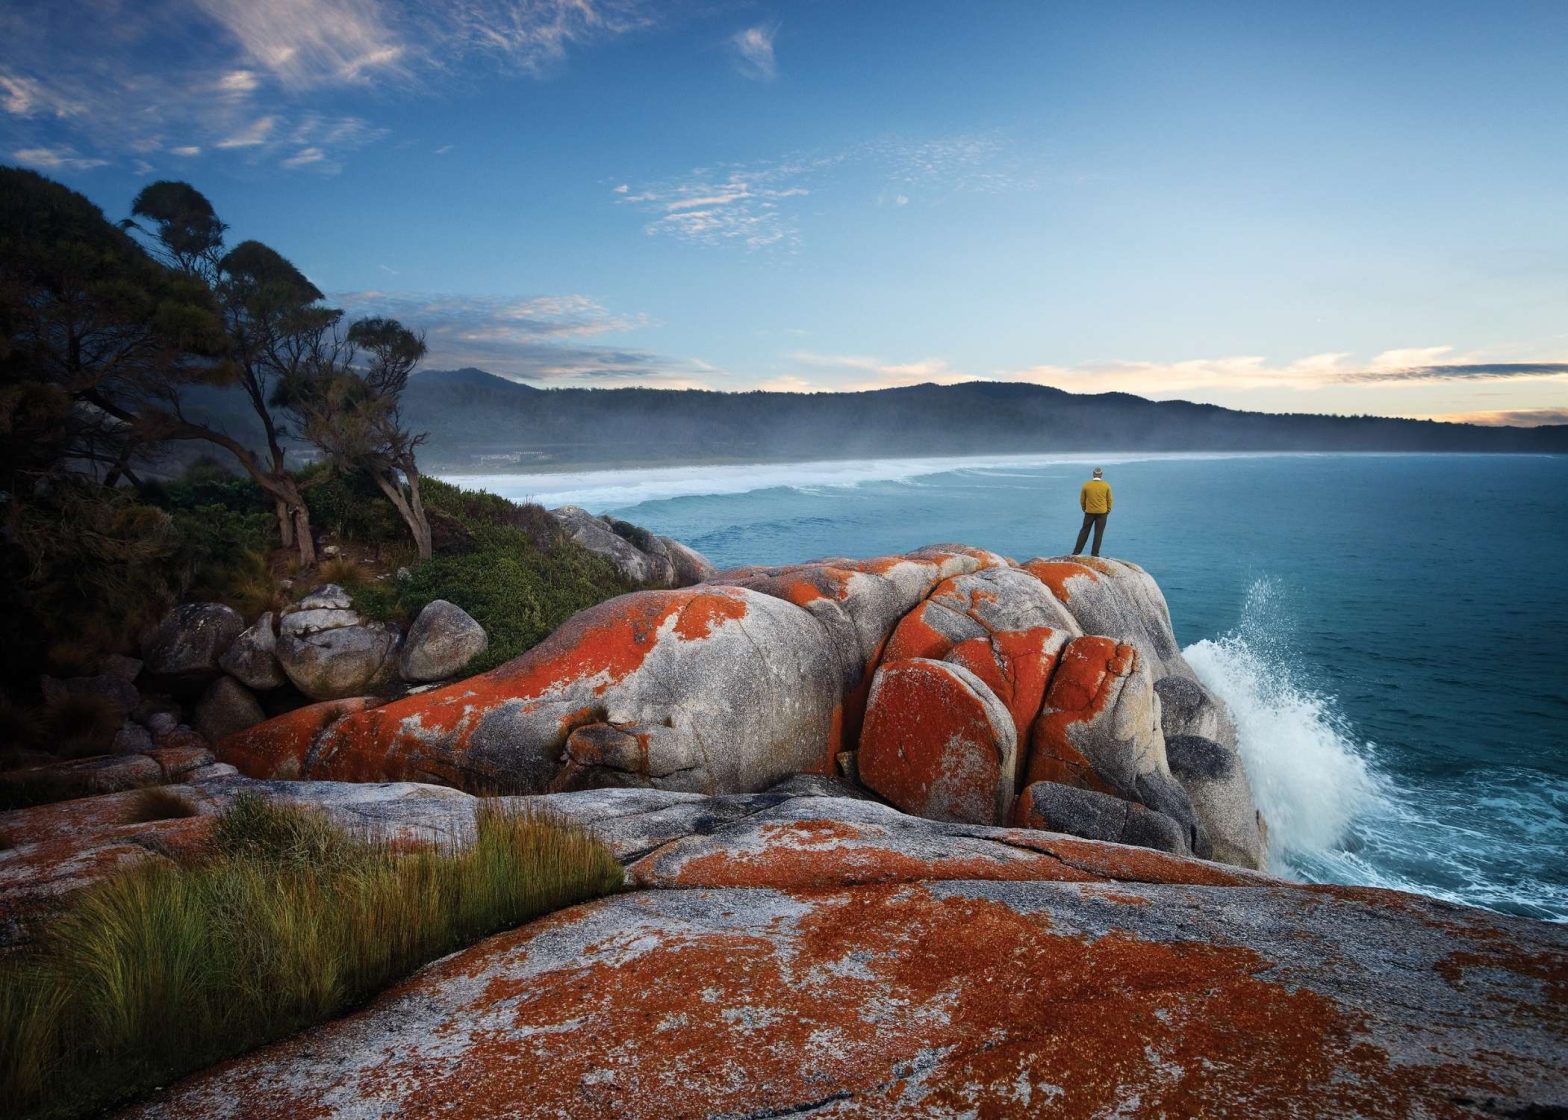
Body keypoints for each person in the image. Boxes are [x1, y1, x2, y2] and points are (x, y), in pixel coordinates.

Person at [1073, 467, 1113, 557]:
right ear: (1101, 474)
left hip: (1089, 512)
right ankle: (1095, 553)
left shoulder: (1086, 485)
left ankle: (1076, 552)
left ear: (1093, 474)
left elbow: (1082, 500)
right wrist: (1108, 510)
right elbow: (1109, 500)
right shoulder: (1106, 485)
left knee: (1084, 531)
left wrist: (1085, 509)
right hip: (1102, 513)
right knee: (1099, 533)